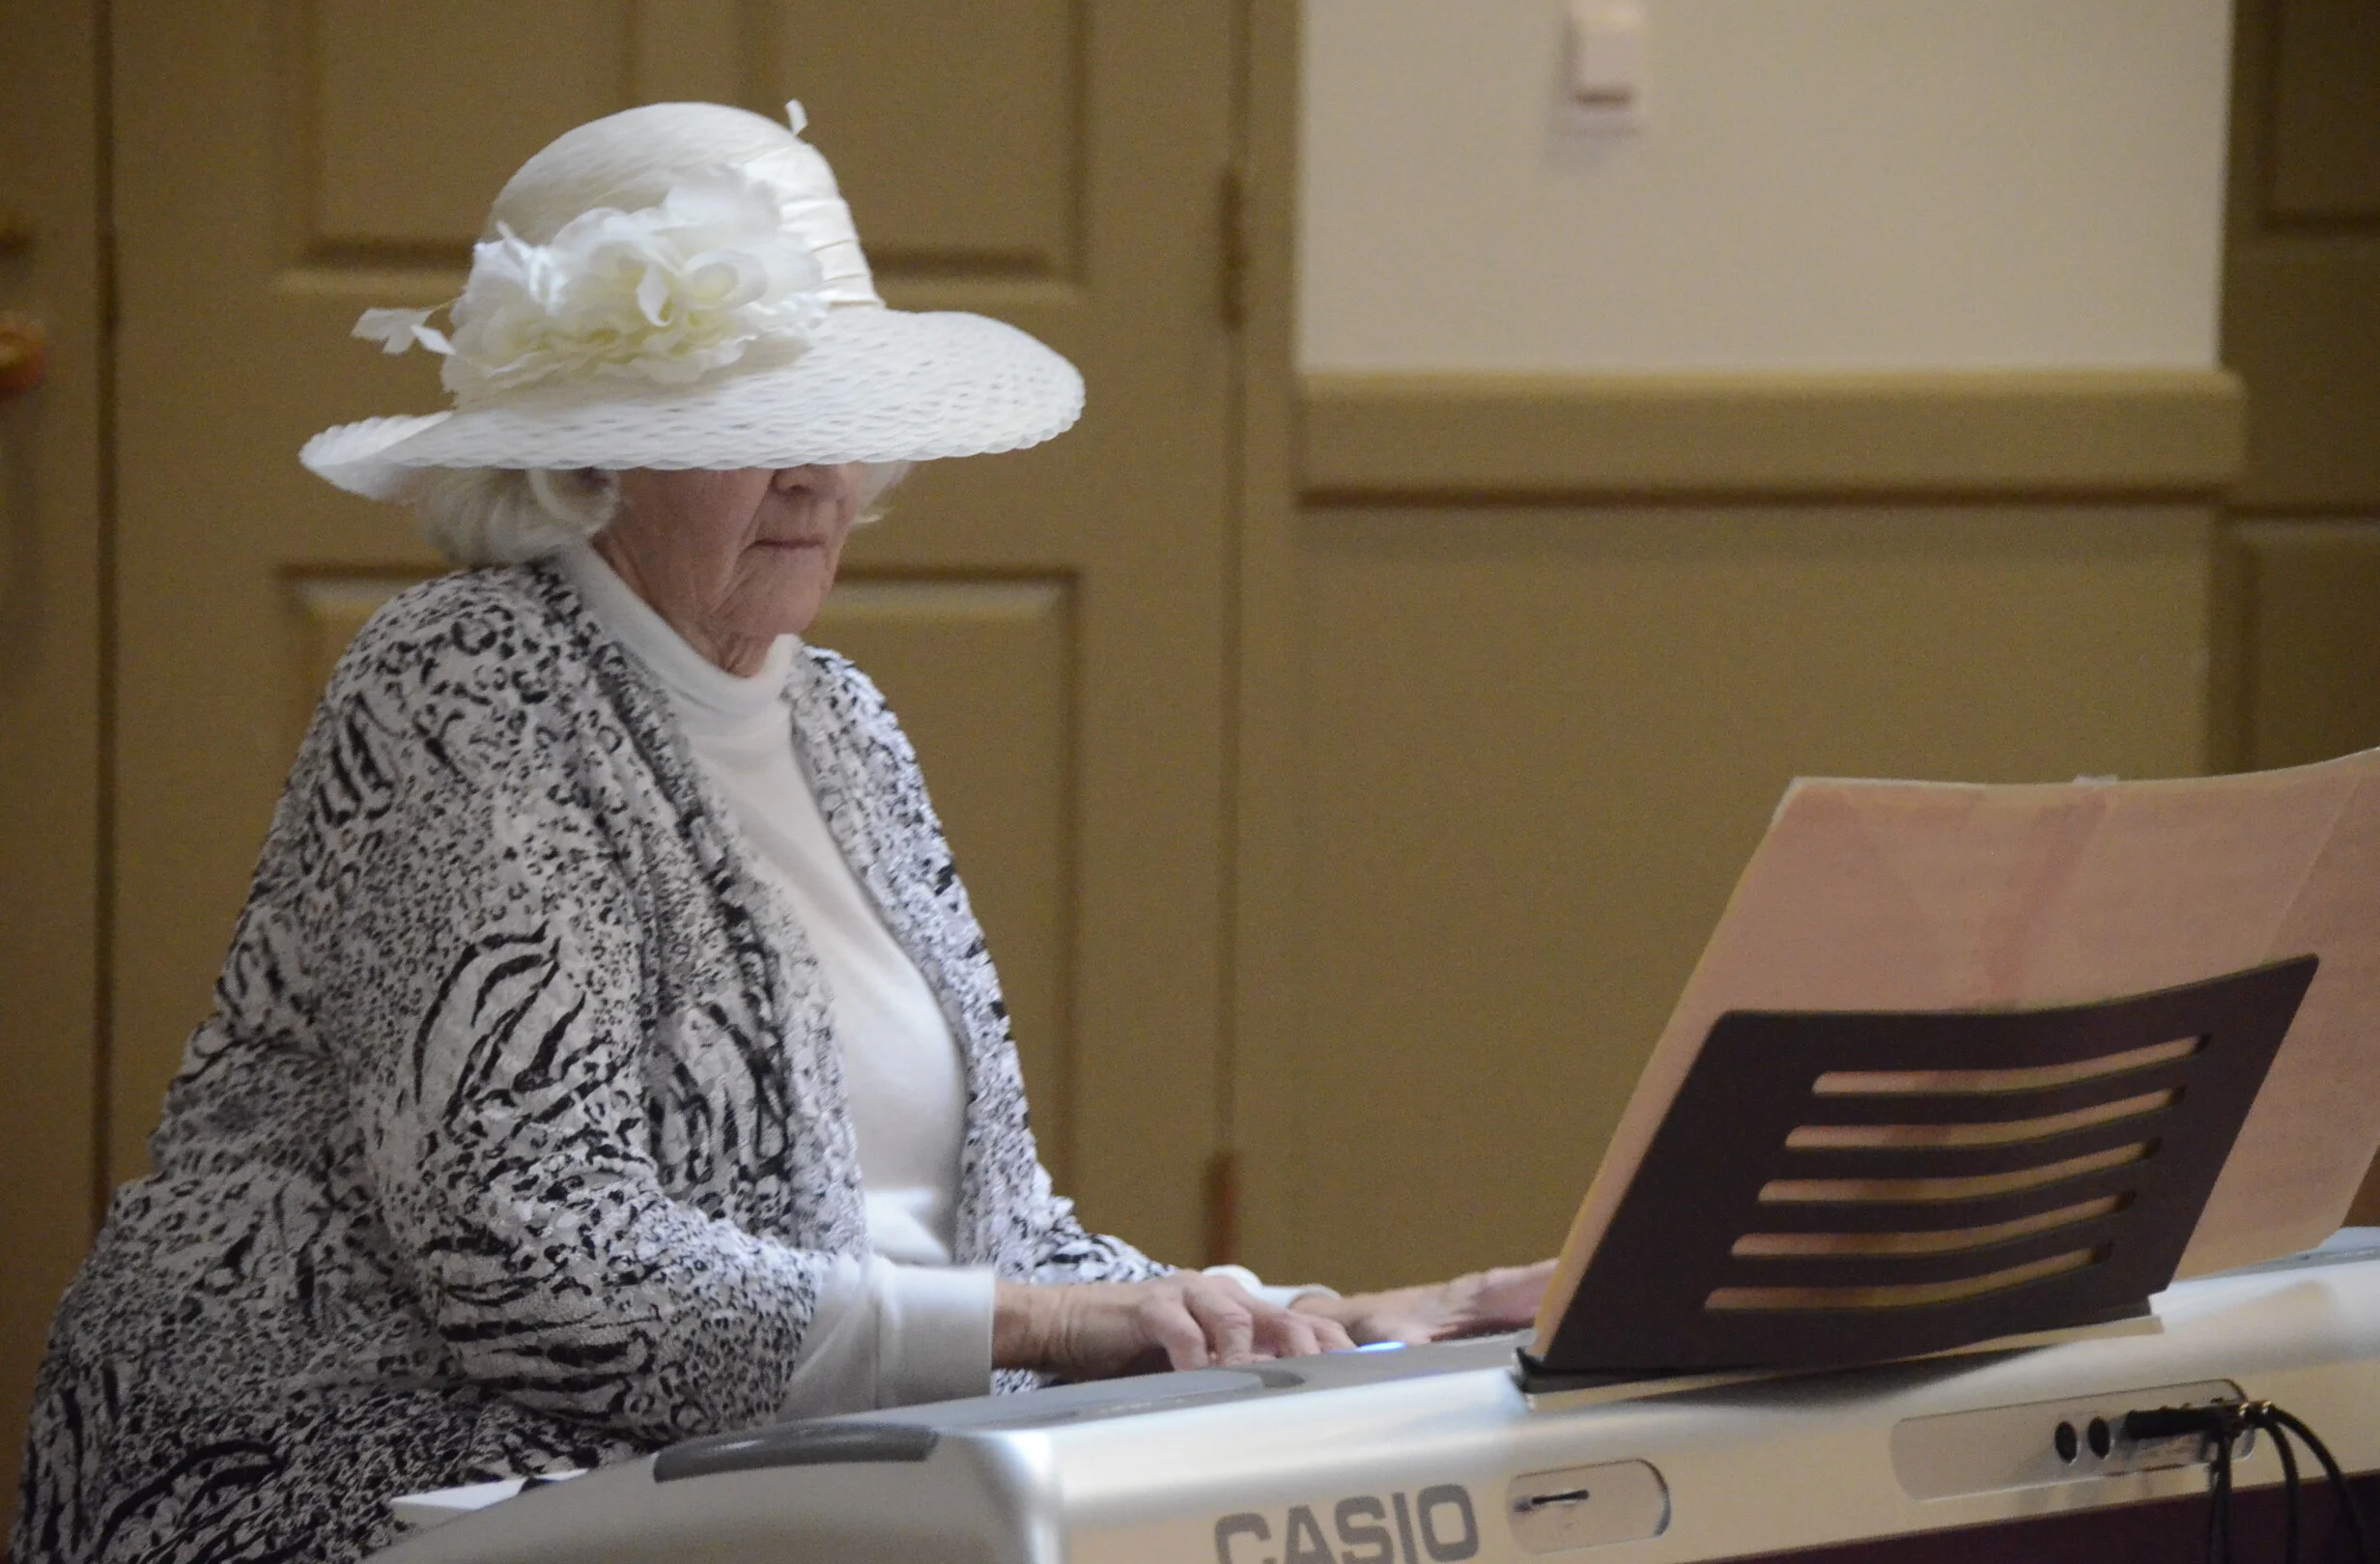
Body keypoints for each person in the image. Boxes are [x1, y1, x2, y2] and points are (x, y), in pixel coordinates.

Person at [14, 101, 1550, 1564]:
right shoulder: (459, 684)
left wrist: (1326, 1324)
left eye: (839, 416)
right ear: (586, 454)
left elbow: (989, 1246)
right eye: (756, 423)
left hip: (731, 1494)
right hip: (371, 1489)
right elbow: (535, 1268)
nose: (821, 471)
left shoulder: (840, 722)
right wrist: (1044, 1324)